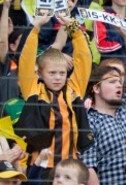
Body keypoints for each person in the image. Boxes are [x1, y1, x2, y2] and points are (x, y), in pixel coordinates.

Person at [14, 14, 92, 180]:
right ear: (40, 73)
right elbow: (26, 59)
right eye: (52, 73)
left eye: (62, 73)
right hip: (40, 166)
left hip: (69, 167)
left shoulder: (74, 89)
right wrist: (35, 28)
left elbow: (84, 59)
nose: (58, 77)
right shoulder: (33, 90)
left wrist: (74, 29)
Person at [81, 18, 126, 185]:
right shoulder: (88, 120)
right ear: (96, 88)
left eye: (120, 81)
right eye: (112, 81)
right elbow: (88, 167)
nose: (119, 85)